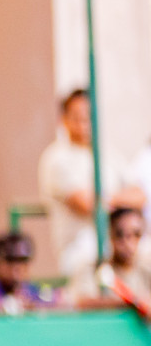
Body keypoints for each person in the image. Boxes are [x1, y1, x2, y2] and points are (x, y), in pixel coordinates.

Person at [38, 90, 142, 278]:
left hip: (118, 243)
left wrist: (106, 198)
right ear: (64, 119)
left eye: (88, 116)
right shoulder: (56, 158)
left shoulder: (107, 153)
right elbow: (86, 205)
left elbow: (139, 195)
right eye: (77, 116)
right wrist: (118, 198)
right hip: (79, 247)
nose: (84, 122)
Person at [69, 207, 151, 310]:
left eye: (136, 234)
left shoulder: (146, 271)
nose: (128, 243)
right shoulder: (94, 270)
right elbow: (82, 302)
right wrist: (133, 302)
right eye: (120, 235)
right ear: (110, 235)